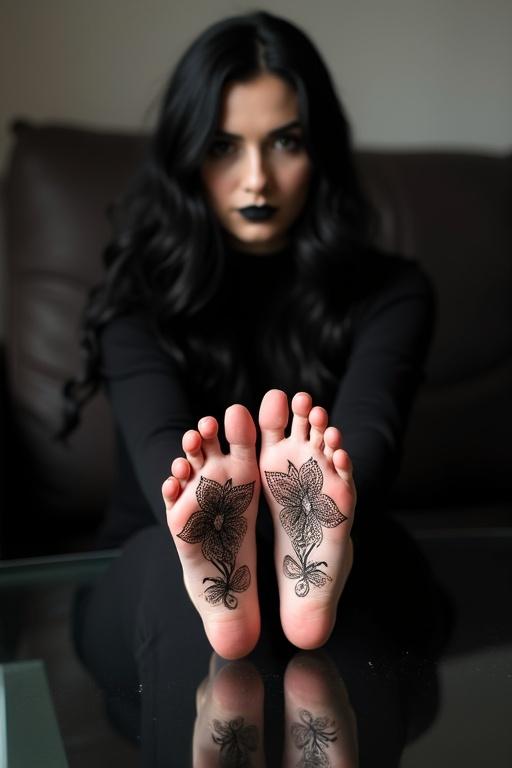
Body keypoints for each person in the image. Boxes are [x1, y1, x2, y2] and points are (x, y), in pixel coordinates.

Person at [64, 10, 434, 669]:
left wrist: (322, 521)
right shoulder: (137, 300)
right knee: (174, 563)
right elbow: (164, 465)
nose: (257, 177)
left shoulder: (391, 293)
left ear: (321, 149)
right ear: (187, 156)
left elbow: (367, 444)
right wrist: (212, 512)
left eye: (285, 142)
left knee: (366, 556)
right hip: (149, 578)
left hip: (337, 567)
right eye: (224, 146)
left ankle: (310, 561)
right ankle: (235, 569)